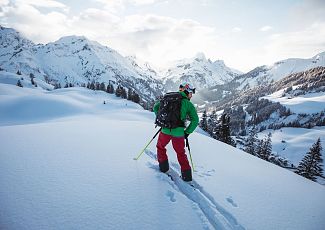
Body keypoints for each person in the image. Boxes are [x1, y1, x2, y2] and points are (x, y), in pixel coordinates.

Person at [153, 83, 199, 181]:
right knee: (181, 153)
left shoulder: (168, 97)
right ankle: (186, 177)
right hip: (178, 133)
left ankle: (163, 168)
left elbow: (156, 107)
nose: (191, 95)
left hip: (165, 130)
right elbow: (195, 120)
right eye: (191, 93)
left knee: (160, 147)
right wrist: (187, 132)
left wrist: (162, 120)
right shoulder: (187, 103)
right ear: (187, 92)